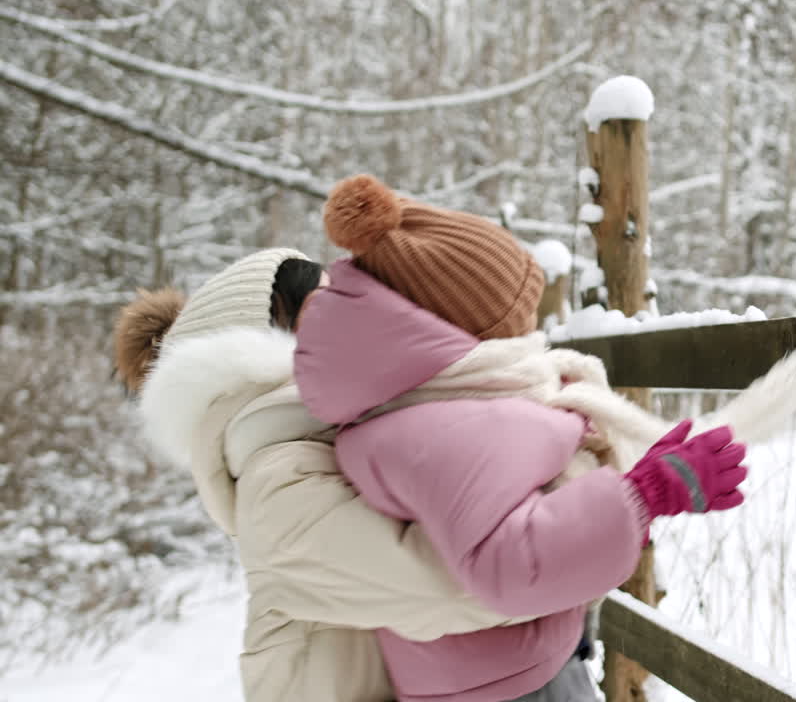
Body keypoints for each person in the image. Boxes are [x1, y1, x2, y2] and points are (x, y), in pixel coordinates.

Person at [291, 174, 796, 702]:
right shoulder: (444, 430)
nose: (531, 328)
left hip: (498, 669)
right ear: (467, 324)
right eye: (519, 312)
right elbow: (509, 561)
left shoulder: (428, 406)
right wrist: (643, 494)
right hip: (506, 688)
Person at [113, 248, 532, 702]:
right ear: (280, 329)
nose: (354, 318)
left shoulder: (322, 444)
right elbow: (461, 587)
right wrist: (584, 507)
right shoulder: (277, 485)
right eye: (326, 304)